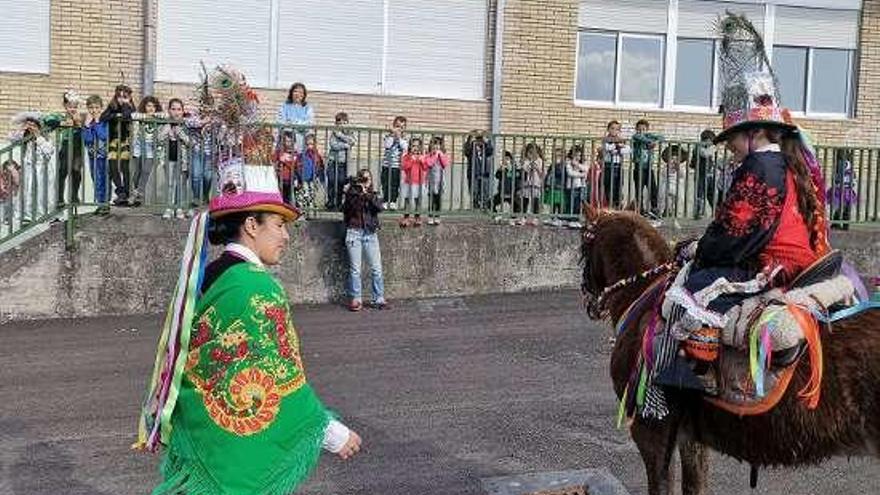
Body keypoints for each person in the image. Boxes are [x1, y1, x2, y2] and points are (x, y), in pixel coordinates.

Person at [137, 65, 362, 495]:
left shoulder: (210, 275)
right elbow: (278, 377)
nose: (286, 235)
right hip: (235, 455)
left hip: (208, 434)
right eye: (278, 224)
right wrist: (332, 433)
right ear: (252, 225)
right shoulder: (256, 289)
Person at [639, 14, 831, 420]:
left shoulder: (760, 168)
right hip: (798, 255)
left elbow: (736, 231)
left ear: (754, 133)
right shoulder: (788, 163)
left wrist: (699, 248)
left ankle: (684, 385)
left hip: (773, 264)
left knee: (689, 288)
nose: (729, 149)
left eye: (732, 140)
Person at [342, 169, 388, 312]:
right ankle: (356, 299)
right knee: (355, 269)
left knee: (376, 268)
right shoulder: (352, 194)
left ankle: (378, 298)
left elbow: (379, 207)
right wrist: (353, 192)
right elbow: (347, 210)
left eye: (368, 179)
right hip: (354, 232)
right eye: (362, 179)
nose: (365, 182)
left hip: (370, 234)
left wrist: (366, 193)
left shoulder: (373, 194)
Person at [7, 112, 55, 223]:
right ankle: (26, 214)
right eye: (29, 126)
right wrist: (22, 128)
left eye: (33, 125)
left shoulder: (44, 138)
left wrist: (38, 136)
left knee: (41, 192)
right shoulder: (25, 137)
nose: (31, 128)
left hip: (42, 169)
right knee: (27, 190)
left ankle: (41, 214)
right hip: (29, 168)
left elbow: (49, 151)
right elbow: (11, 137)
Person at [100, 84, 136, 206]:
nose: (121, 99)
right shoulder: (112, 107)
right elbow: (103, 117)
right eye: (119, 96)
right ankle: (120, 191)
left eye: (124, 96)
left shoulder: (130, 108)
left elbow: (127, 116)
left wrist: (126, 104)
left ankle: (126, 193)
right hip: (113, 141)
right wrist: (116, 115)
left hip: (125, 141)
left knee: (125, 167)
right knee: (113, 165)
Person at [130, 95, 166, 206]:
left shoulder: (158, 117)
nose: (151, 108)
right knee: (136, 171)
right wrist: (146, 116)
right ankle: (134, 191)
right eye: (148, 106)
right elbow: (133, 115)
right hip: (139, 147)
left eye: (153, 107)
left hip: (151, 148)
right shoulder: (139, 115)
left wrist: (155, 115)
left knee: (146, 170)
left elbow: (166, 115)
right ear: (144, 106)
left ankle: (139, 194)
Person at [158, 98, 190, 219]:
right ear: (169, 110)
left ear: (182, 111)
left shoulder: (186, 124)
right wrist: (166, 130)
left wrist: (180, 133)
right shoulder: (165, 124)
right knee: (170, 183)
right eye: (173, 109)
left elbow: (190, 142)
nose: (176, 112)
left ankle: (179, 208)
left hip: (183, 160)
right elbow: (158, 140)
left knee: (180, 184)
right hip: (169, 159)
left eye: (179, 109)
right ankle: (169, 208)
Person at [56, 90, 85, 206]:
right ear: (65, 106)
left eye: (74, 107)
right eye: (69, 106)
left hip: (78, 145)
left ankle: (74, 196)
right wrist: (61, 123)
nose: (72, 109)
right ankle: (60, 198)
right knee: (63, 171)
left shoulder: (81, 116)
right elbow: (50, 121)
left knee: (76, 170)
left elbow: (85, 128)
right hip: (66, 144)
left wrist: (78, 123)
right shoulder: (61, 117)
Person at [83, 95, 110, 214]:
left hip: (104, 156)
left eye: (96, 107)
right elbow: (87, 140)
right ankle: (100, 203)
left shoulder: (104, 121)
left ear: (101, 108)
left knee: (104, 179)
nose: (94, 110)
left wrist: (98, 123)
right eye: (91, 108)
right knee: (96, 179)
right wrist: (87, 126)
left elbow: (104, 136)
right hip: (92, 155)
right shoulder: (88, 123)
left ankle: (105, 204)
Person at [630, 119, 662, 216]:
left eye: (644, 129)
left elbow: (661, 137)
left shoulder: (648, 136)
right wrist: (650, 141)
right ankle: (640, 209)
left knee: (653, 188)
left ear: (647, 129)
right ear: (636, 129)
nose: (641, 132)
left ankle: (654, 208)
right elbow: (639, 137)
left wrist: (652, 138)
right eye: (639, 129)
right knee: (639, 189)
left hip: (649, 167)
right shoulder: (636, 137)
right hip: (639, 167)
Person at [327, 111, 357, 211]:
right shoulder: (334, 133)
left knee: (341, 182)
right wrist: (345, 145)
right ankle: (331, 201)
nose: (342, 125)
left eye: (344, 123)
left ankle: (339, 202)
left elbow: (352, 141)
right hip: (333, 161)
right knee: (331, 181)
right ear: (336, 124)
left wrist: (341, 136)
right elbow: (333, 145)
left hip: (343, 163)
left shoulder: (349, 133)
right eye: (339, 123)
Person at [277, 82, 315, 152]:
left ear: (304, 95)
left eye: (301, 92)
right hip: (287, 142)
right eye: (295, 91)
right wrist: (299, 125)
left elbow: (310, 123)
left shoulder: (308, 108)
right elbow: (280, 121)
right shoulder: (284, 106)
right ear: (291, 93)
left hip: (302, 143)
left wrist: (293, 123)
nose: (298, 94)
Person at [293, 133, 324, 217]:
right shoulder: (301, 156)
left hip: (312, 180)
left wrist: (320, 179)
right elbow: (296, 167)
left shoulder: (317, 156)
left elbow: (320, 168)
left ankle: (311, 214)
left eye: (311, 144)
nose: (309, 146)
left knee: (312, 197)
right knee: (302, 197)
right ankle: (302, 214)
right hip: (302, 180)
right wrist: (296, 178)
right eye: (307, 144)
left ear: (315, 144)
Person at [400, 137, 429, 227]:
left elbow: (425, 167)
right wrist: (411, 160)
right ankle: (406, 217)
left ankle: (417, 217)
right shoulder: (407, 156)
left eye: (417, 146)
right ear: (410, 147)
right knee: (407, 200)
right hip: (409, 182)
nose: (415, 148)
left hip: (420, 182)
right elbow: (404, 167)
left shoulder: (423, 156)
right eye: (413, 146)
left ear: (421, 147)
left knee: (418, 200)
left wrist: (422, 160)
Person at [380, 116, 408, 209]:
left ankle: (392, 201)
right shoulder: (388, 136)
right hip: (386, 164)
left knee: (394, 184)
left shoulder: (404, 138)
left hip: (396, 166)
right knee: (385, 183)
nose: (398, 129)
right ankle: (385, 200)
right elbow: (387, 145)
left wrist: (399, 137)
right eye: (397, 126)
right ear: (393, 126)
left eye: (401, 127)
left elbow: (405, 147)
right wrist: (392, 135)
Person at [601, 120, 630, 209]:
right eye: (612, 128)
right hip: (608, 165)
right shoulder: (605, 139)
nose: (614, 131)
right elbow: (607, 148)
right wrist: (616, 146)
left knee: (618, 186)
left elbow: (628, 150)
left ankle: (617, 205)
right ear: (608, 129)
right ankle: (610, 205)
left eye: (617, 129)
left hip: (618, 166)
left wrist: (619, 149)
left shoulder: (621, 140)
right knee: (609, 186)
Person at [690, 129, 717, 220]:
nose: (712, 143)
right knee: (700, 194)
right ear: (706, 140)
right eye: (711, 140)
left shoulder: (708, 147)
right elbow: (705, 154)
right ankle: (698, 213)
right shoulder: (698, 147)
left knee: (711, 194)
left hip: (709, 175)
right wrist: (714, 148)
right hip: (700, 174)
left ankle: (716, 212)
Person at [464, 130, 494, 210]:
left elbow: (490, 151)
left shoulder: (485, 145)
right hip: (474, 172)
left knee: (484, 191)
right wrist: (470, 138)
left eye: (480, 138)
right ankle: (475, 205)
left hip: (484, 172)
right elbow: (466, 152)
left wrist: (487, 140)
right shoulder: (471, 145)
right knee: (474, 190)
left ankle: (484, 205)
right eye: (477, 138)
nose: (479, 140)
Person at [424, 136, 451, 225]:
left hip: (440, 181)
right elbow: (429, 163)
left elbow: (445, 164)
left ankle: (438, 216)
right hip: (431, 181)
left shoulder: (443, 155)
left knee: (438, 200)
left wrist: (440, 155)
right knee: (431, 199)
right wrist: (435, 155)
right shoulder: (428, 155)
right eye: (434, 144)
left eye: (439, 144)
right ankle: (430, 216)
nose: (436, 146)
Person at [828, 148, 856, 231]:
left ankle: (837, 223)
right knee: (845, 207)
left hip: (842, 188)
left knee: (841, 207)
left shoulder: (841, 163)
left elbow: (839, 177)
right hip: (847, 188)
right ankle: (844, 224)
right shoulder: (849, 163)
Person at [658, 144, 688, 219]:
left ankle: (677, 214)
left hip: (678, 186)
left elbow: (682, 175)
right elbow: (663, 174)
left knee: (679, 201)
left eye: (676, 159)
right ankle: (665, 212)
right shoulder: (666, 167)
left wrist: (678, 168)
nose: (673, 161)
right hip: (667, 185)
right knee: (665, 201)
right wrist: (668, 167)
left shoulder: (681, 168)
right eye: (671, 158)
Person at [564, 144, 589, 228]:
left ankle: (577, 219)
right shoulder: (568, 161)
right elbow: (570, 173)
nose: (578, 157)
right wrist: (581, 175)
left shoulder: (583, 162)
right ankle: (571, 219)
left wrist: (577, 165)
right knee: (571, 203)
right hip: (571, 186)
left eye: (579, 155)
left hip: (581, 185)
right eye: (575, 155)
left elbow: (586, 169)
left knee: (579, 203)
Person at [519, 142, 545, 226]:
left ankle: (535, 217)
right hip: (527, 183)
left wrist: (537, 168)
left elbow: (542, 174)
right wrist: (529, 165)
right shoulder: (525, 161)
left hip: (536, 183)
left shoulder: (540, 161)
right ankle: (523, 217)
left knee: (535, 201)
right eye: (530, 153)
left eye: (534, 153)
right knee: (525, 200)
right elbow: (525, 169)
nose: (532, 155)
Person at [493, 150, 521, 223]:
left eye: (507, 159)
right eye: (503, 159)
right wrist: (500, 170)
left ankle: (513, 218)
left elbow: (518, 179)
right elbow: (497, 176)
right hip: (502, 191)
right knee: (491, 203)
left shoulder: (515, 169)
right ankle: (497, 216)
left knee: (517, 205)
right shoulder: (502, 169)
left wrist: (518, 189)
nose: (505, 161)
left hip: (512, 192)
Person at [273, 130, 296, 205]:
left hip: (290, 177)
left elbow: (295, 164)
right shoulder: (280, 151)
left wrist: (286, 160)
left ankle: (288, 207)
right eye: (286, 141)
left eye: (290, 141)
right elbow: (273, 158)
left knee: (288, 195)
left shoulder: (294, 152)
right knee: (281, 194)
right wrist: (279, 159)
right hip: (281, 177)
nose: (288, 143)